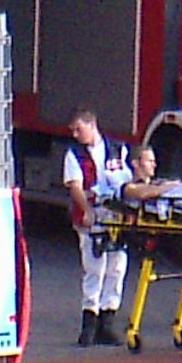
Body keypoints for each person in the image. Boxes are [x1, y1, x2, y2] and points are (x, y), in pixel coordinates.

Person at [63, 110, 132, 347]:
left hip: (115, 215)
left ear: (92, 125)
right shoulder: (74, 154)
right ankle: (89, 323)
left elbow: (126, 182)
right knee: (94, 269)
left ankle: (108, 321)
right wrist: (87, 210)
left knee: (116, 268)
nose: (75, 135)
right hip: (92, 217)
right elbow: (75, 186)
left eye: (78, 129)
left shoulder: (118, 149)